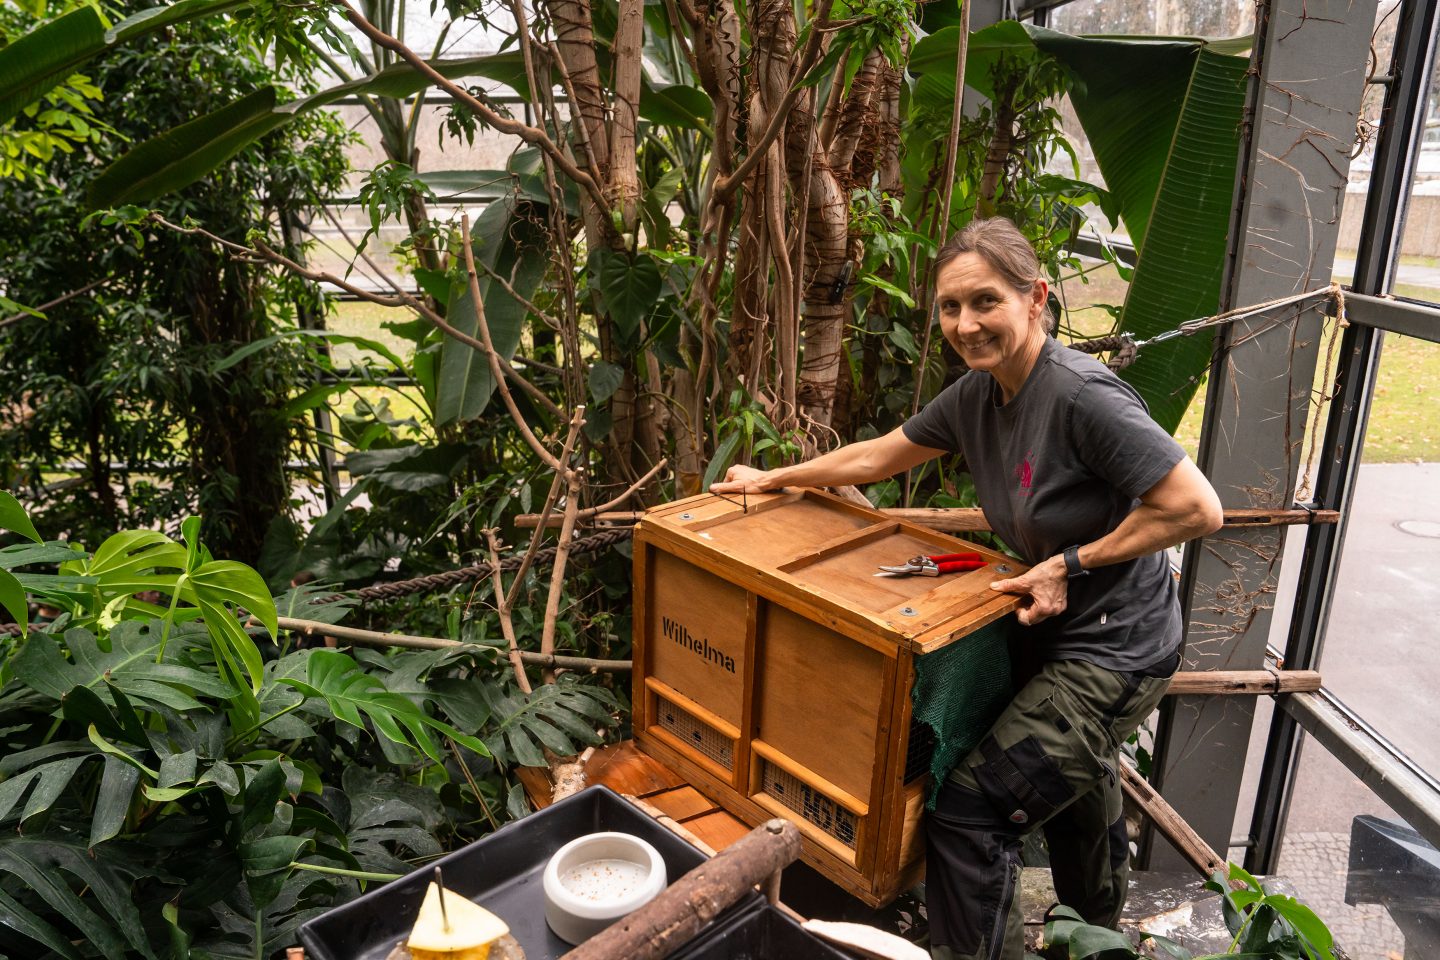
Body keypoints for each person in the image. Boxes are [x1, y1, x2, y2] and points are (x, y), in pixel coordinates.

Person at [710, 217, 1223, 960]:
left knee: (972, 814)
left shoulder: (1082, 397)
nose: (965, 323)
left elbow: (1195, 508)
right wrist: (774, 477)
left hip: (1116, 645)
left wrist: (1068, 563)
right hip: (1052, 631)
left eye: (985, 301)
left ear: (1035, 298)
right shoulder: (977, 397)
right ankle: (1097, 939)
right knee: (1075, 782)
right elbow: (878, 457)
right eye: (950, 308)